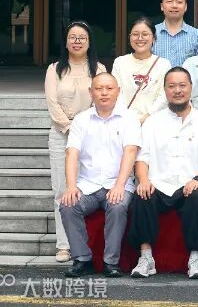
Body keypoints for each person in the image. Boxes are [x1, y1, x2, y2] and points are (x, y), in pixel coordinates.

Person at [128, 67, 198, 279]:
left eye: (182, 85)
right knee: (142, 194)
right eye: (172, 86)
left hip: (191, 182)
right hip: (160, 183)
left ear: (191, 88)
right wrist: (144, 180)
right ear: (165, 90)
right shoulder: (153, 122)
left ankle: (196, 258)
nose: (177, 90)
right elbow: (142, 158)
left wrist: (197, 179)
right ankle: (146, 257)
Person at [59, 73, 140, 278]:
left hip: (118, 184)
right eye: (99, 88)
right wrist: (71, 186)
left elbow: (130, 152)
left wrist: (120, 185)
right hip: (88, 184)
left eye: (109, 88)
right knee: (68, 205)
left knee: (118, 205)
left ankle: (111, 262)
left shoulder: (129, 118)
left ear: (118, 91)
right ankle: (82, 259)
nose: (104, 93)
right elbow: (71, 153)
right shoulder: (81, 119)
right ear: (91, 92)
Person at [45, 21, 107, 263]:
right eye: (72, 37)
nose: (77, 41)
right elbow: (52, 103)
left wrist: (82, 128)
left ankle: (85, 243)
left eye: (82, 37)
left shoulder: (98, 69)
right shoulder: (54, 69)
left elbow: (101, 99)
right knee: (62, 189)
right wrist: (71, 127)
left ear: (89, 42)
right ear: (66, 41)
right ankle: (64, 245)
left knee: (88, 189)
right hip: (61, 135)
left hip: (91, 135)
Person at [113, 17, 172, 124]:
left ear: (154, 38)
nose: (140, 38)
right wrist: (127, 118)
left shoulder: (164, 64)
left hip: (154, 123)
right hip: (124, 123)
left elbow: (164, 96)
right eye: (135, 34)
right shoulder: (120, 63)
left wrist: (147, 117)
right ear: (129, 37)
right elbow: (116, 93)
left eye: (145, 34)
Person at [153, 0, 198, 68]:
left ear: (185, 7)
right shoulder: (151, 33)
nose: (174, 5)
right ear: (162, 6)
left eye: (179, 2)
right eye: (169, 1)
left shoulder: (197, 35)